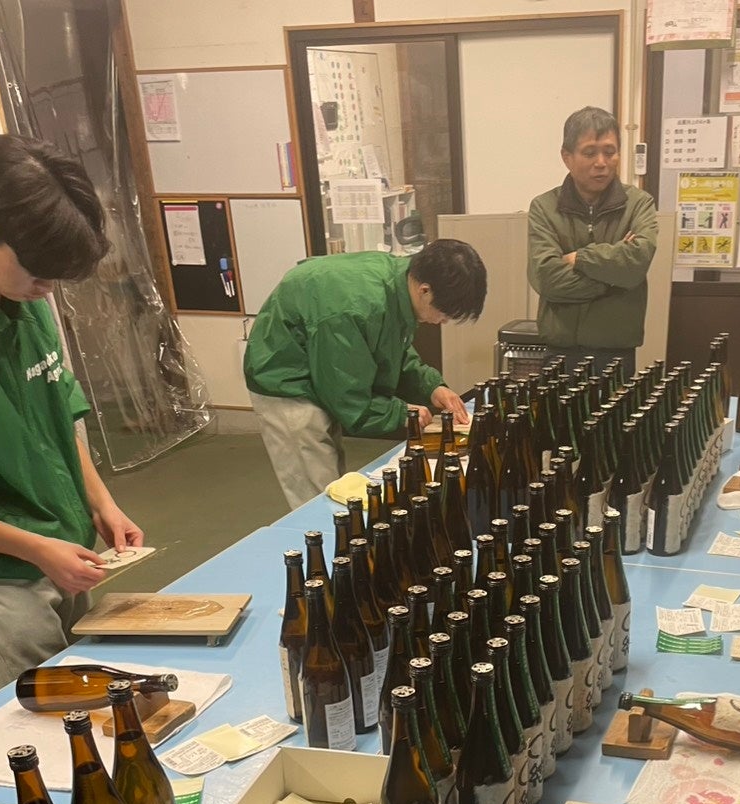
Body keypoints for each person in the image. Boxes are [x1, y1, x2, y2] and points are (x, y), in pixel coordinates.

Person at [0, 134, 143, 696]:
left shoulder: (20, 295)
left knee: (89, 687)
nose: (46, 291)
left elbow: (58, 414)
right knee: (47, 709)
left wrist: (101, 503)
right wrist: (35, 549)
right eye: (37, 273)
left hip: (63, 544)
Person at [245, 240, 487, 511]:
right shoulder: (353, 307)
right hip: (286, 379)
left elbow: (391, 349)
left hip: (322, 364)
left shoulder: (401, 280)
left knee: (333, 476)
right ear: (425, 290)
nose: (443, 322)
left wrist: (431, 386)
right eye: (444, 314)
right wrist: (401, 413)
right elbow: (345, 394)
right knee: (317, 492)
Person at [528, 105, 657, 380]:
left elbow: (637, 262)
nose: (601, 162)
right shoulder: (544, 208)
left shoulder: (638, 204)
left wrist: (579, 258)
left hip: (617, 355)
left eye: (610, 152)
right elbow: (547, 277)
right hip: (559, 353)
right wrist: (614, 281)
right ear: (567, 157)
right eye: (589, 153)